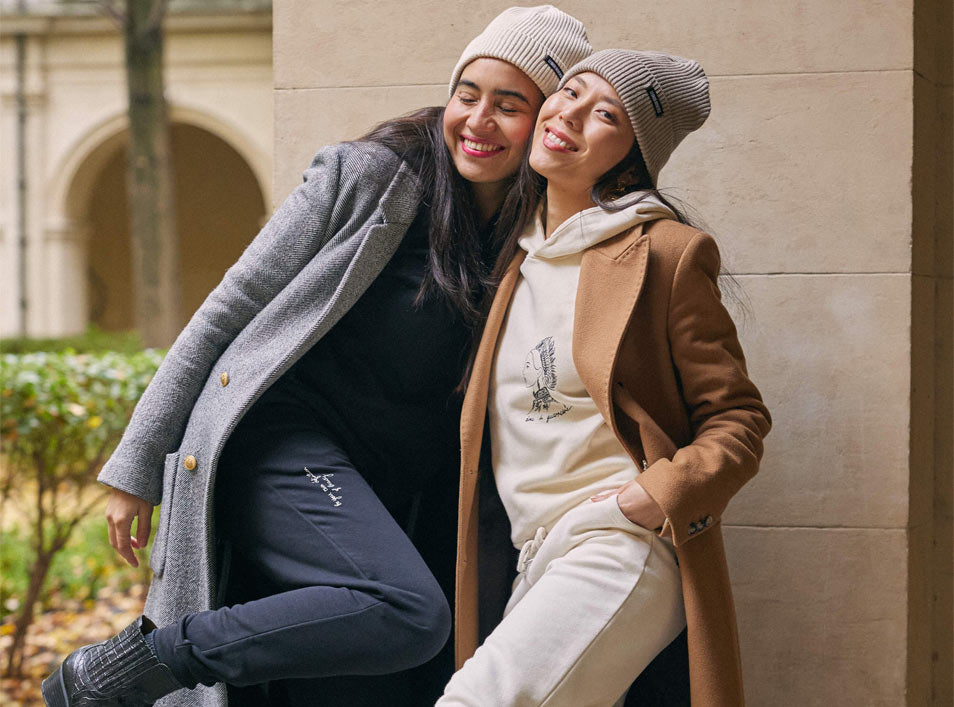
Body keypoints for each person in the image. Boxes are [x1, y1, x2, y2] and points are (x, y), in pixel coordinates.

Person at [41, 8, 592, 707]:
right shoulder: (370, 177)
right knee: (409, 611)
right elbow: (227, 309)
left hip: (385, 492)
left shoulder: (535, 233)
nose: (478, 120)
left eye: (509, 105)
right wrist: (134, 465)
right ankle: (134, 662)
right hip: (280, 446)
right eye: (468, 94)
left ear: (546, 124)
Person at [441, 49, 772, 706]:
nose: (570, 115)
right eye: (570, 92)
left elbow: (738, 418)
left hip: (619, 544)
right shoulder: (518, 252)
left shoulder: (663, 253)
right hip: (533, 554)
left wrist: (656, 493)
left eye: (606, 115)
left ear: (630, 156)